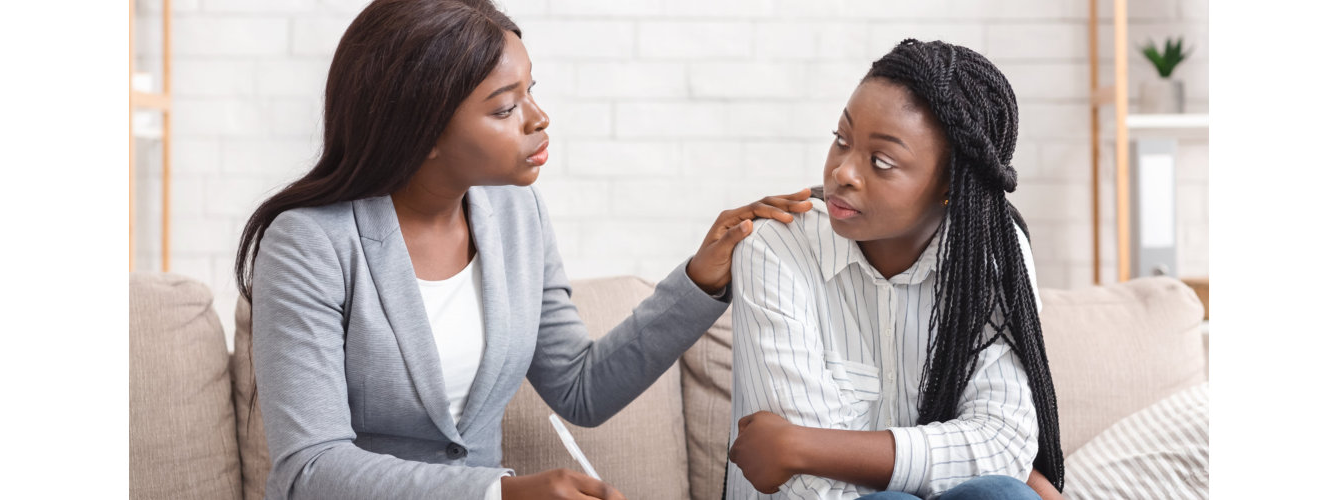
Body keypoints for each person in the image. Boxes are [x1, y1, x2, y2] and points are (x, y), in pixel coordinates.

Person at [234, 1, 811, 499]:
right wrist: (497, 492)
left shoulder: (515, 214)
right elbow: (311, 468)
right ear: (423, 130)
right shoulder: (308, 245)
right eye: (506, 108)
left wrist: (701, 278)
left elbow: (580, 387)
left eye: (530, 92)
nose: (539, 119)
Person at [723, 39, 1066, 500]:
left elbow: (1003, 445)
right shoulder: (774, 247)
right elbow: (800, 483)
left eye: (881, 161)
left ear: (950, 186)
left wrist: (804, 445)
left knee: (1004, 495)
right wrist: (939, 462)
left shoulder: (991, 253)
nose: (843, 172)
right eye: (841, 141)